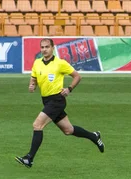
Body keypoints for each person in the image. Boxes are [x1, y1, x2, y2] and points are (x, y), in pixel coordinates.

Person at [15, 38, 104, 168]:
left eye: (47, 47)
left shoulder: (60, 63)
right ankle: (94, 136)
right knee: (68, 130)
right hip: (46, 100)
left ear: (52, 48)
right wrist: (32, 85)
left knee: (37, 125)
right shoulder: (37, 63)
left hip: (57, 100)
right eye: (42, 47)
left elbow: (77, 76)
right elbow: (34, 77)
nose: (44, 50)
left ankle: (29, 158)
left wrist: (69, 88)